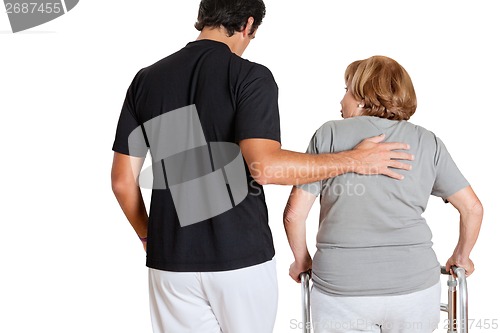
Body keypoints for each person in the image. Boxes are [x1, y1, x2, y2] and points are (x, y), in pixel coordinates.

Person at [110, 1, 415, 331]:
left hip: (170, 264)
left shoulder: (147, 79)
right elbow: (266, 168)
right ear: (248, 25)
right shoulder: (249, 76)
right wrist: (355, 159)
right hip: (239, 258)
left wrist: (148, 235)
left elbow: (123, 181)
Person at [283, 55, 483, 333]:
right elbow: (472, 208)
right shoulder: (428, 141)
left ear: (364, 96)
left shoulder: (328, 134)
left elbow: (294, 214)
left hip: (341, 288)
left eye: (346, 91)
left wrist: (301, 260)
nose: (341, 102)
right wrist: (461, 257)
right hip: (415, 288)